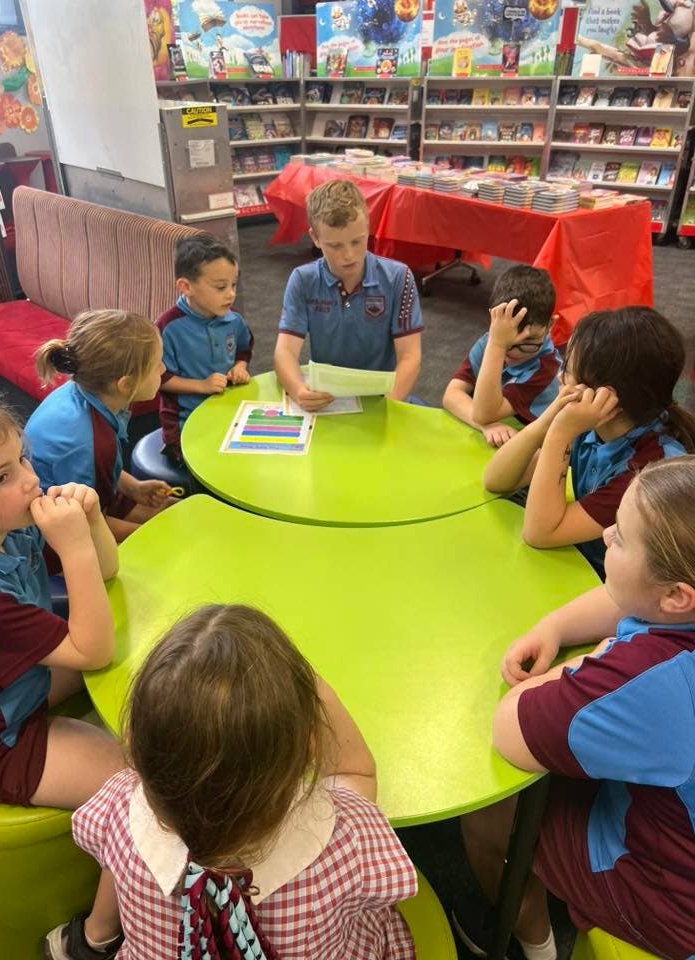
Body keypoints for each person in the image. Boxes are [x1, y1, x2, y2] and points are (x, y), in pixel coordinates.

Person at [45, 604, 418, 960]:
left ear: (132, 742)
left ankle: (91, 942)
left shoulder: (119, 806)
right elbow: (356, 772)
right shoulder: (342, 839)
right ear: (309, 748)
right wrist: (310, 685)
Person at [459, 455, 695, 960]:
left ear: (677, 595)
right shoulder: (676, 605)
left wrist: (593, 657)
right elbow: (634, 600)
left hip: (668, 903)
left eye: (623, 538)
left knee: (490, 806)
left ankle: (535, 944)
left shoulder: (654, 682)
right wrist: (555, 629)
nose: (606, 534)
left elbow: (512, 727)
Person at [0, 394, 123, 812]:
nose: (29, 479)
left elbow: (107, 570)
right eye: (2, 477)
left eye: (23, 459)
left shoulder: (11, 530)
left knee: (141, 666)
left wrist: (91, 522)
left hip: (25, 682)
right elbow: (93, 651)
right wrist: (75, 548)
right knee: (138, 779)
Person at [483, 306, 695, 575]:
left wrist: (559, 434)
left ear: (607, 398)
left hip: (615, 588)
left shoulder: (647, 471)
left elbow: (539, 533)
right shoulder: (592, 425)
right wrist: (547, 421)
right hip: (577, 563)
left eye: (568, 371)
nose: (560, 377)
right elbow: (496, 479)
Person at [273, 179, 423, 412]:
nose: (349, 255)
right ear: (315, 238)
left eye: (357, 240)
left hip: (384, 396)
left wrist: (389, 405)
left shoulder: (399, 278)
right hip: (329, 399)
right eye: (335, 246)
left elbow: (410, 356)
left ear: (368, 227)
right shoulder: (303, 280)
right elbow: (285, 351)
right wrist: (298, 390)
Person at [24, 309, 171, 543]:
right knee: (176, 531)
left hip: (76, 499)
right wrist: (158, 536)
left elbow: (93, 470)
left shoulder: (82, 392)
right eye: (156, 365)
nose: (163, 369)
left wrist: (133, 487)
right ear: (126, 384)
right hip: (49, 537)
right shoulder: (90, 441)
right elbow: (90, 528)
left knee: (176, 511)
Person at [157, 235, 253, 463]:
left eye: (233, 285)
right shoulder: (167, 328)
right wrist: (202, 386)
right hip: (185, 426)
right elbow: (159, 379)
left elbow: (243, 348)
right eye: (220, 287)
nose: (230, 293)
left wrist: (239, 367)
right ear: (186, 287)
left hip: (228, 415)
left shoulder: (233, 320)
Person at [443, 265, 561, 448]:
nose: (513, 352)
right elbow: (451, 394)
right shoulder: (493, 340)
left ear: (550, 325)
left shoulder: (545, 368)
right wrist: (486, 426)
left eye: (529, 340)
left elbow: (484, 412)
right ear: (495, 319)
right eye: (507, 340)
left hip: (533, 452)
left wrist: (498, 345)